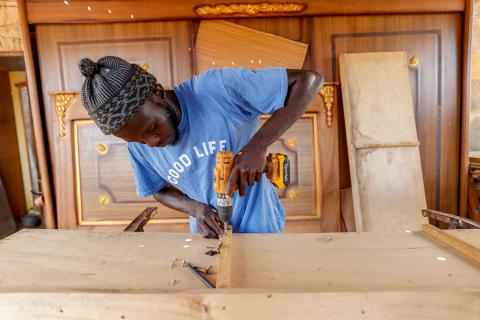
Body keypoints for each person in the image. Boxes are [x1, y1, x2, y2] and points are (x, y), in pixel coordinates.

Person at [79, 56, 323, 238]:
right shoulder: (139, 148)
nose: (151, 144)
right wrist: (195, 208)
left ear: (157, 93)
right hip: (209, 242)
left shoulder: (216, 89)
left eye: (152, 128)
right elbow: (157, 190)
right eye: (140, 140)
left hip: (263, 233)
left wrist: (257, 146)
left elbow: (309, 80)